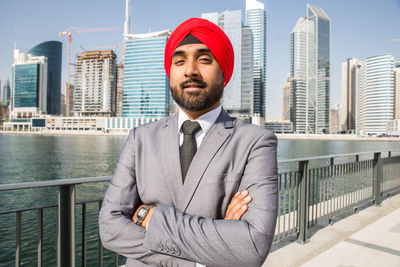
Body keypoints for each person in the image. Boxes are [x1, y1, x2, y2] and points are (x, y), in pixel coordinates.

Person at [99, 17, 278, 267]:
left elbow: (252, 246)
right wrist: (214, 246)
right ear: (170, 72)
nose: (190, 70)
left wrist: (147, 216)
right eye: (179, 60)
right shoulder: (140, 138)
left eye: (204, 60)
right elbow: (110, 228)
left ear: (224, 71)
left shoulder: (255, 142)